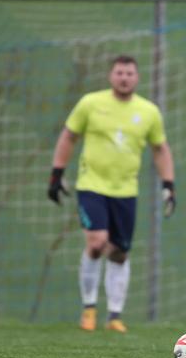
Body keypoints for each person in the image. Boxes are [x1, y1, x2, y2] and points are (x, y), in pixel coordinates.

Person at [48, 55, 176, 332]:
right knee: (96, 243)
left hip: (126, 191)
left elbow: (160, 149)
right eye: (119, 72)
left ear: (137, 77)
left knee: (119, 253)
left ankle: (114, 316)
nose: (124, 78)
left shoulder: (149, 111)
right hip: (91, 186)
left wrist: (168, 185)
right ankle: (89, 309)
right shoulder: (90, 103)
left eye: (129, 73)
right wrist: (56, 173)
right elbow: (69, 136)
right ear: (110, 76)